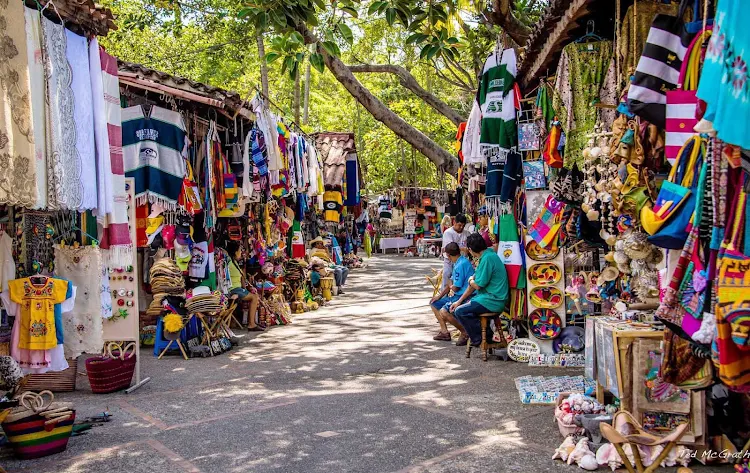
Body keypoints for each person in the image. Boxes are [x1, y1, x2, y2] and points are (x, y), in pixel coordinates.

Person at [450, 233, 509, 347]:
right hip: (488, 298)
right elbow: (473, 285)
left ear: (471, 250)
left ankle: (480, 339)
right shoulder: (487, 256)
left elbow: (477, 285)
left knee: (460, 311)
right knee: (459, 308)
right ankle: (485, 336)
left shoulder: (487, 258)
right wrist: (459, 301)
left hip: (493, 300)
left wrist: (470, 280)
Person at [429, 242, 474, 341]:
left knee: (444, 311)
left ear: (448, 255)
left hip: (463, 296)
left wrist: (449, 283)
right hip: (459, 295)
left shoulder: (460, 265)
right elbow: (451, 283)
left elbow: (455, 287)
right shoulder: (459, 261)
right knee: (434, 303)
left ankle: (464, 332)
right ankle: (444, 331)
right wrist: (439, 296)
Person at [226, 241, 264, 332]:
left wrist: (248, 287)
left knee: (255, 295)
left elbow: (242, 278)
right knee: (254, 297)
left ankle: (253, 322)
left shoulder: (234, 262)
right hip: (233, 289)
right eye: (239, 250)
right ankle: (251, 324)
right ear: (235, 252)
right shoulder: (229, 263)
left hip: (238, 288)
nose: (241, 252)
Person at [440, 214, 467, 290]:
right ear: (454, 222)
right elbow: (452, 248)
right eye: (459, 225)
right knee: (447, 275)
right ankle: (444, 295)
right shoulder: (448, 233)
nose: (461, 227)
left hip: (462, 261)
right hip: (449, 260)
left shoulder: (466, 233)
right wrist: (463, 249)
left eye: (463, 226)